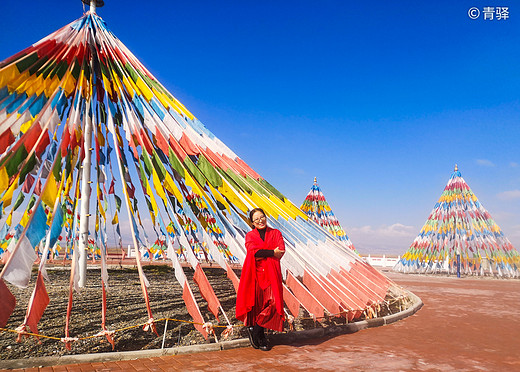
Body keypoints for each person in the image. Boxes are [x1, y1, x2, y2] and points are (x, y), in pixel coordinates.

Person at [236, 208, 285, 351]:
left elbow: (280, 251)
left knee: (274, 304)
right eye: (256, 219)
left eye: (262, 217)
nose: (260, 220)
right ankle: (261, 336)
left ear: (266, 217)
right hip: (255, 274)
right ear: (252, 222)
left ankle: (255, 330)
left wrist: (265, 253)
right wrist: (271, 252)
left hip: (272, 275)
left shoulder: (275, 233)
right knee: (258, 305)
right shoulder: (250, 235)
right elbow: (253, 252)